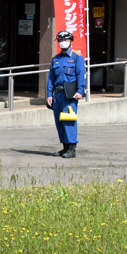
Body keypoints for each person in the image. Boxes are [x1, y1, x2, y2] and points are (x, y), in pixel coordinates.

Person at [46, 30, 86, 159]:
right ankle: (64, 148)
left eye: (66, 40)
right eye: (61, 40)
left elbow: (81, 75)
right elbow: (51, 78)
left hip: (70, 95)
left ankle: (72, 148)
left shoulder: (76, 57)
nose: (63, 43)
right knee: (59, 122)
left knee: (68, 121)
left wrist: (80, 91)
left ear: (71, 41)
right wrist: (49, 94)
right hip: (57, 95)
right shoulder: (56, 59)